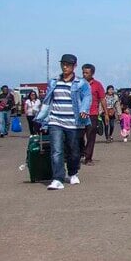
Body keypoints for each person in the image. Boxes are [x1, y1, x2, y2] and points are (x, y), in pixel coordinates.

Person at [37, 54, 92, 190]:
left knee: (74, 151)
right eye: (63, 64)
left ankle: (73, 172)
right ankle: (58, 178)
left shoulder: (81, 83)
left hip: (73, 122)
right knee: (56, 150)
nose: (65, 66)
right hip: (56, 120)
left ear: (74, 66)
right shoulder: (54, 81)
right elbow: (48, 100)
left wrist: (84, 109)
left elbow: (87, 96)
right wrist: (43, 116)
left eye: (68, 64)